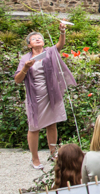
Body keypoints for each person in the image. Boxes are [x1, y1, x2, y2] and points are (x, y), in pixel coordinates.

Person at [14, 22, 72, 169]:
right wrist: (25, 68)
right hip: (35, 96)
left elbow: (60, 45)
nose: (38, 39)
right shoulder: (25, 59)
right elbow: (17, 80)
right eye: (34, 39)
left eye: (39, 37)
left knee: (52, 124)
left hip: (51, 94)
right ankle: (35, 159)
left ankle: (53, 154)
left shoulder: (48, 52)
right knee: (34, 127)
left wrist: (62, 31)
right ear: (29, 45)